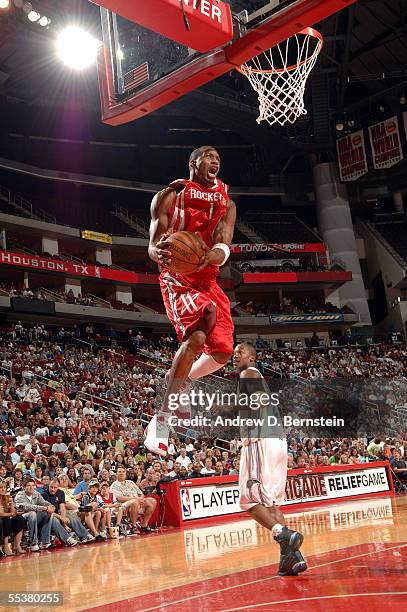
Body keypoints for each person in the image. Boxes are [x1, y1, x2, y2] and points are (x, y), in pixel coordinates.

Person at [147, 146, 236, 455]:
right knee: (197, 336)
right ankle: (161, 421)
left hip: (207, 277)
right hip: (177, 278)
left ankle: (179, 380)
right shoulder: (171, 195)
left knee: (223, 352)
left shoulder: (226, 202)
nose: (215, 160)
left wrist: (209, 255)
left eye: (219, 158)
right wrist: (156, 252)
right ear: (193, 163)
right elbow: (152, 245)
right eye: (209, 156)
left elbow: (225, 246)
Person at [232, 343, 307, 577]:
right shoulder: (256, 375)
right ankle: (291, 558)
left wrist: (250, 429)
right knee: (270, 503)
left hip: (260, 440)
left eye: (240, 353)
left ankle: (282, 533)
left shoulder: (249, 373)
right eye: (233, 354)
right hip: (277, 441)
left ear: (252, 358)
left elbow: (259, 400)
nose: (235, 356)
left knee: (247, 499)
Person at [110, 466, 157, 533]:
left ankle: (144, 525)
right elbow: (119, 498)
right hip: (124, 506)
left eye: (123, 472)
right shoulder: (114, 485)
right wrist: (136, 499)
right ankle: (133, 526)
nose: (121, 473)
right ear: (116, 474)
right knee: (134, 502)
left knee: (152, 501)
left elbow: (141, 494)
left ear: (125, 473)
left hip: (138, 502)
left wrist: (141, 499)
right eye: (119, 472)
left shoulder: (131, 482)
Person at [14, 479, 55, 552]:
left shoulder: (36, 494)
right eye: (29, 485)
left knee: (49, 513)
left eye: (33, 485)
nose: (31, 487)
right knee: (32, 513)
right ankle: (33, 544)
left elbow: (43, 502)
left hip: (34, 517)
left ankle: (45, 542)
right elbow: (28, 507)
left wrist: (51, 506)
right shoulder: (19, 495)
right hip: (21, 518)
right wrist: (44, 508)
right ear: (23, 487)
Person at [0, 480, 26, 555]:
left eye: (5, 487)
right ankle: (6, 546)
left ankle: (17, 545)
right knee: (6, 519)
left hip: (6, 519)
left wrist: (11, 503)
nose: (3, 489)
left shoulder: (6, 497)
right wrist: (11, 514)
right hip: (2, 521)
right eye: (1, 487)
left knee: (20, 519)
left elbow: (13, 512)